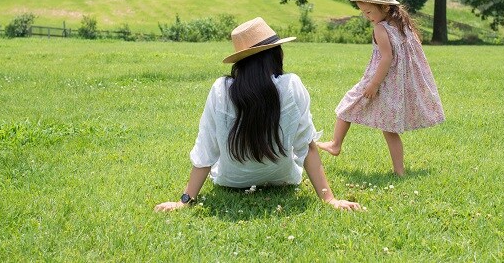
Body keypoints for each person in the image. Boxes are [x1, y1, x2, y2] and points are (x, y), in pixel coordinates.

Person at [154, 17, 361, 212]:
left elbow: (206, 148)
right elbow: (306, 146)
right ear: (274, 54)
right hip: (283, 178)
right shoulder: (291, 85)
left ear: (240, 62)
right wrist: (329, 199)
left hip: (231, 181)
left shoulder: (221, 89)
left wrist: (184, 200)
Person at [317, 0, 445, 176]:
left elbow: (387, 58)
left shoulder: (381, 28)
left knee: (346, 106)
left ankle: (335, 144)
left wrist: (374, 84)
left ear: (385, 7)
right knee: (389, 128)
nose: (367, 16)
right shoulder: (403, 23)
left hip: (379, 79)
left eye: (369, 11)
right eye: (363, 12)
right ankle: (399, 171)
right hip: (397, 83)